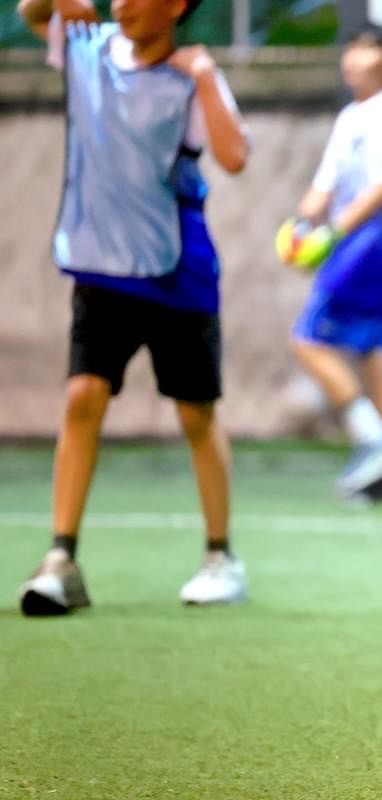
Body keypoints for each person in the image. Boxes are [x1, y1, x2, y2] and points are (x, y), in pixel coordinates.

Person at [16, 0, 250, 615]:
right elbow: (31, 11)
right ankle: (61, 558)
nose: (122, 2)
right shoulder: (88, 48)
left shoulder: (191, 74)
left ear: (175, 7)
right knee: (82, 396)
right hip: (101, 265)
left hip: (177, 266)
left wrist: (202, 76)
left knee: (196, 413)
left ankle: (221, 556)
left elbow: (234, 157)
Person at [279, 23, 382, 501]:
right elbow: (323, 187)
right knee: (377, 356)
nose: (356, 57)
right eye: (354, 47)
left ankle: (374, 439)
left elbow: (381, 189)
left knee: (307, 340)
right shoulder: (351, 117)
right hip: (368, 247)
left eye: (370, 49)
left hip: (373, 246)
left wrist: (332, 235)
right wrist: (300, 227)